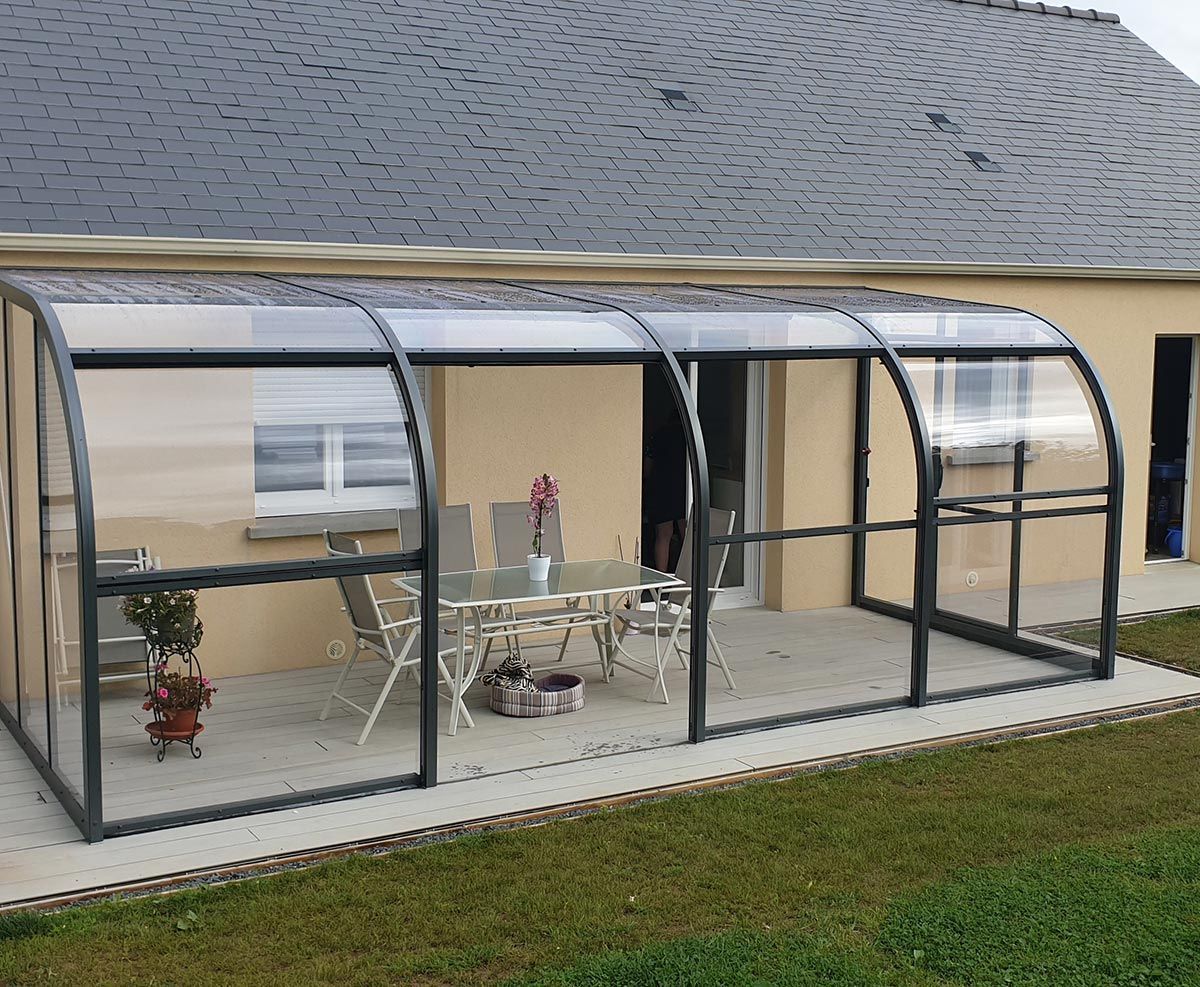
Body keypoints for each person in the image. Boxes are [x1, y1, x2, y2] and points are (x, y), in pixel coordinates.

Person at [644, 409, 687, 573]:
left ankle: (662, 581)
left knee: (663, 535)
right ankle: (687, 578)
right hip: (684, 489)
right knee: (687, 534)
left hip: (661, 490)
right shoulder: (689, 436)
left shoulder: (658, 436)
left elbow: (646, 468)